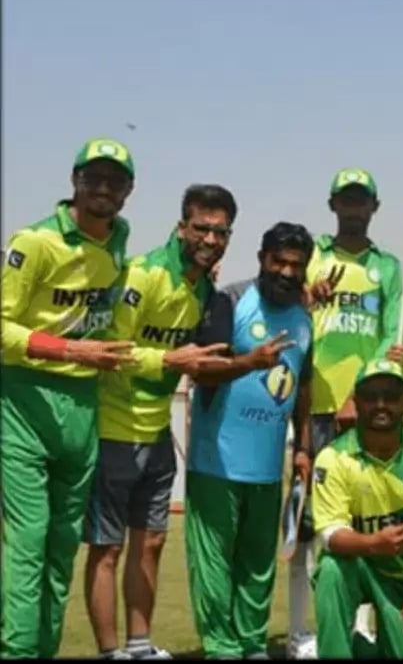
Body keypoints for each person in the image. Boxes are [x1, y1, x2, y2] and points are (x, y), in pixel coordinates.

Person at [0, 138, 142, 658]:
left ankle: (43, 649)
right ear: (74, 181)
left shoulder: (120, 239)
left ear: (128, 191)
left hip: (83, 407)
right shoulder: (35, 242)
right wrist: (72, 351)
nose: (103, 188)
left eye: (115, 180)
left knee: (62, 546)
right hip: (25, 400)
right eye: (94, 178)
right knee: (28, 541)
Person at [84, 184, 238, 660]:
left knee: (151, 542)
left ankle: (140, 644)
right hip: (114, 428)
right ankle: (111, 652)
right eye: (202, 228)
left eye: (220, 231)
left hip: (156, 434)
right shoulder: (144, 274)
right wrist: (170, 358)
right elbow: (111, 350)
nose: (210, 239)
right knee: (106, 549)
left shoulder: (204, 288)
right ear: (181, 227)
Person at [184, 222, 317, 659]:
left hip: (265, 465)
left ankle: (252, 643)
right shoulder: (231, 300)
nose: (286, 271)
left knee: (259, 563)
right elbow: (203, 370)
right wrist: (249, 361)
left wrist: (302, 447)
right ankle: (222, 648)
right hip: (215, 462)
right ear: (262, 258)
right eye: (278, 261)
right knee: (214, 564)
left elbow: (303, 381)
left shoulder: (303, 316)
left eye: (296, 265)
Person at [289, 167, 403, 658]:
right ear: (332, 205)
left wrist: (361, 397)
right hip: (311, 404)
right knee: (306, 526)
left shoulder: (389, 266)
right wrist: (305, 299)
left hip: (365, 411)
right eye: (346, 200)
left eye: (362, 201)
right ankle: (299, 633)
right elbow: (289, 311)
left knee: (364, 524)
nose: (354, 208)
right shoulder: (312, 255)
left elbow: (388, 332)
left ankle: (361, 628)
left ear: (374, 208)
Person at [309, 359, 403, 658]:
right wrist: (374, 543)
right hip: (358, 562)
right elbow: (330, 534)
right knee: (331, 569)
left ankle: (364, 649)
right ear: (356, 402)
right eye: (371, 396)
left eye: (391, 396)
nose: (381, 404)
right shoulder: (334, 457)